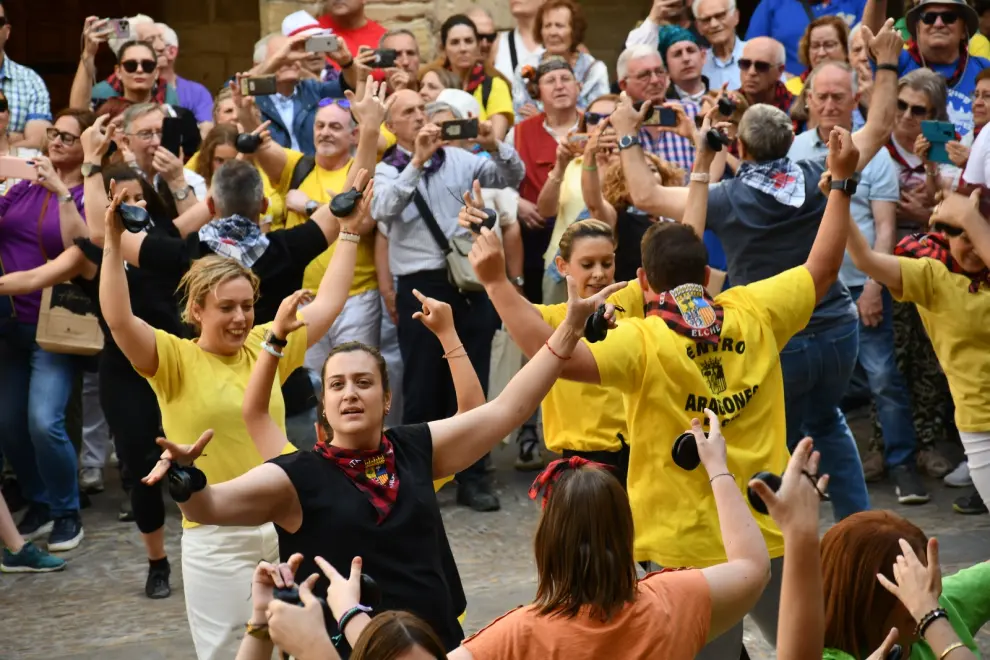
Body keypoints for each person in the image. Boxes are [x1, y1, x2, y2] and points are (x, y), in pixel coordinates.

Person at [470, 110, 860, 658]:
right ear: (706, 277)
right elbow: (822, 269)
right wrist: (841, 185)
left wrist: (493, 281)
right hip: (770, 527)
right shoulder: (755, 309)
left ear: (644, 281)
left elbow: (552, 352)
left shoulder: (645, 340)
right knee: (811, 649)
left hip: (686, 557)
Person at [140, 264, 626, 657]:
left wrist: (567, 330)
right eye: (337, 385)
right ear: (324, 407)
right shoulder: (298, 476)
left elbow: (507, 409)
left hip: (437, 647)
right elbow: (209, 506)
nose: (350, 393)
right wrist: (186, 478)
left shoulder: (416, 448)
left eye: (364, 382)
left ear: (386, 399)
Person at [98, 157, 373, 659]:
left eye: (247, 305)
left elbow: (329, 303)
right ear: (197, 309)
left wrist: (350, 233)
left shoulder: (266, 344)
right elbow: (118, 319)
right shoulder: (173, 358)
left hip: (284, 526)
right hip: (217, 539)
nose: (242, 317)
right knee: (231, 653)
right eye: (227, 307)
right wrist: (113, 243)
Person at [0, 162, 186, 596]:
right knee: (141, 468)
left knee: (204, 456)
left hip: (180, 364)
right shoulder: (90, 253)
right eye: (123, 200)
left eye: (140, 197)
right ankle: (157, 562)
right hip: (124, 373)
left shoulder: (166, 244)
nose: (134, 206)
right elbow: (31, 278)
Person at [844, 190, 989, 514]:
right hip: (982, 426)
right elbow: (865, 259)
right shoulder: (934, 277)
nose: (974, 247)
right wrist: (839, 195)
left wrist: (968, 217)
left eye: (979, 236)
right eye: (962, 237)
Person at [0, 107, 94, 554]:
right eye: (55, 133)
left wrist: (61, 192)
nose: (57, 142)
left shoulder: (84, 194)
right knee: (8, 424)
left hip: (57, 326)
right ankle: (38, 501)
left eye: (69, 138)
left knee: (44, 421)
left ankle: (66, 511)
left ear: (87, 147)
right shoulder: (22, 187)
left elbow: (84, 251)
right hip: (10, 322)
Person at [821, 510, 989, 658]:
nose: (929, 590)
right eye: (909, 581)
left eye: (923, 576)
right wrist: (931, 619)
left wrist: (930, 615)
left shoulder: (934, 601)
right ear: (864, 599)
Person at [510, 0, 609, 116]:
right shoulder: (526, 68)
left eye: (559, 26)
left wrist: (542, 119)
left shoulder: (594, 70)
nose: (552, 32)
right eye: (547, 26)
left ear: (574, 31)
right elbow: (522, 118)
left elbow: (598, 118)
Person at [437, 15, 515, 140]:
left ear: (478, 46)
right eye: (455, 42)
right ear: (444, 49)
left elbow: (495, 140)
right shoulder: (434, 84)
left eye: (468, 41)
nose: (463, 48)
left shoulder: (495, 86)